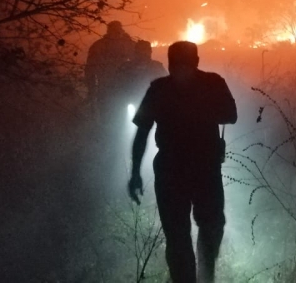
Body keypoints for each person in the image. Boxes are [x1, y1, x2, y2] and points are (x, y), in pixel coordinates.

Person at [128, 41, 237, 283]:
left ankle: (203, 276)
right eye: (177, 66)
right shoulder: (165, 88)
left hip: (192, 168)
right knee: (181, 236)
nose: (180, 71)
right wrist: (135, 172)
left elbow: (231, 115)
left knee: (206, 228)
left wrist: (136, 172)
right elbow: (142, 132)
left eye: (182, 65)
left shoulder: (201, 84)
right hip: (184, 168)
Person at [84, 20, 135, 122]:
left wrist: (92, 90)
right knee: (112, 120)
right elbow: (90, 70)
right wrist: (92, 90)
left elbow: (89, 70)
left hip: (118, 90)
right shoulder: (100, 46)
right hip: (113, 90)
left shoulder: (99, 46)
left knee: (112, 120)